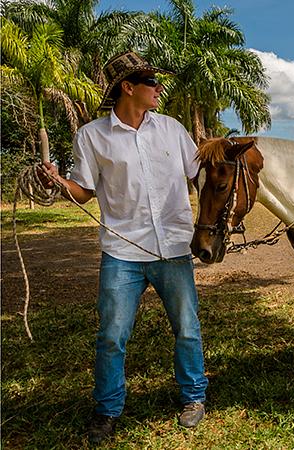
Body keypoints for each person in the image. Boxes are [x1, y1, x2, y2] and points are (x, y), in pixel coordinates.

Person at [41, 51, 209, 444]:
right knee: (112, 335)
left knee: (187, 328)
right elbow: (82, 191)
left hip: (173, 248)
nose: (158, 88)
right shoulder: (92, 136)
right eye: (151, 81)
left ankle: (193, 397)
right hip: (122, 252)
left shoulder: (172, 129)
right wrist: (56, 182)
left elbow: (200, 174)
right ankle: (107, 409)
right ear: (128, 88)